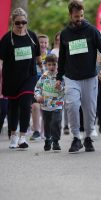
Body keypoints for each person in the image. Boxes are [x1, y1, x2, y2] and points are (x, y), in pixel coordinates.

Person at [56, 0, 101, 153]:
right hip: (71, 77)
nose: (79, 18)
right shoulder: (65, 34)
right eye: (75, 16)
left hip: (89, 77)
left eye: (81, 15)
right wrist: (59, 77)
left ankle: (87, 137)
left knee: (89, 109)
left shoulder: (92, 31)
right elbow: (62, 58)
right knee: (72, 106)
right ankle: (75, 138)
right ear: (70, 15)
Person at [0, 7, 42, 149]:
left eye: (23, 22)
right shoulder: (7, 38)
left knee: (25, 104)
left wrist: (43, 71)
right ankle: (13, 135)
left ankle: (23, 137)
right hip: (11, 78)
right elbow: (1, 60)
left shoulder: (32, 36)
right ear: (13, 22)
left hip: (29, 77)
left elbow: (38, 57)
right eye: (18, 23)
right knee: (13, 108)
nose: (21, 25)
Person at [35, 54, 64, 151]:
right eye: (49, 64)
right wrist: (38, 96)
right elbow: (37, 88)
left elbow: (66, 90)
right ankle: (48, 139)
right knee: (47, 124)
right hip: (45, 105)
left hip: (57, 105)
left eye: (54, 64)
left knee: (56, 122)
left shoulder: (61, 77)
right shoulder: (43, 77)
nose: (52, 67)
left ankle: (55, 141)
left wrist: (61, 88)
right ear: (46, 65)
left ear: (57, 65)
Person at [30, 34, 50, 141]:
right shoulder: (33, 55)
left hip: (47, 86)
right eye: (41, 42)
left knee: (45, 109)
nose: (43, 44)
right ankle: (36, 131)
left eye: (45, 42)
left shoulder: (50, 55)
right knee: (35, 106)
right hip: (35, 83)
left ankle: (44, 132)